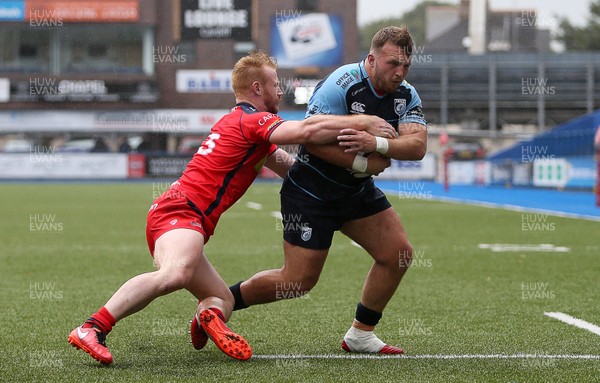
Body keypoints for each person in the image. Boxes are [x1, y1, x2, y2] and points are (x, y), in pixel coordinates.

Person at [67, 51, 396, 365]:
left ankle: (206, 316)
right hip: (181, 212)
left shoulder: (243, 126)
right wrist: (364, 122)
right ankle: (93, 327)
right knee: (175, 274)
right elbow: (307, 130)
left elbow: (294, 169)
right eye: (275, 84)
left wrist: (354, 166)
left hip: (180, 214)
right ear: (257, 88)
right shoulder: (253, 120)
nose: (280, 90)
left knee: (222, 299)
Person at [222, 26, 427, 355]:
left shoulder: (406, 94)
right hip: (310, 192)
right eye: (392, 64)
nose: (400, 72)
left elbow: (417, 146)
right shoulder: (341, 84)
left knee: (398, 255)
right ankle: (221, 302)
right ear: (371, 59)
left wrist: (375, 143)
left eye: (406, 65)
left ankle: (361, 334)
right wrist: (363, 163)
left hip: (355, 192)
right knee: (298, 281)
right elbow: (309, 141)